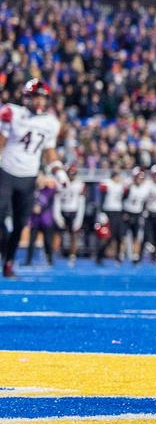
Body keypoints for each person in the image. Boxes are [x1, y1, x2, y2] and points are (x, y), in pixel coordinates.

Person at [0, 79, 70, 278]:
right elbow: (1, 141)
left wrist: (59, 173)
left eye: (43, 98)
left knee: (21, 223)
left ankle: (9, 262)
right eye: (36, 97)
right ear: (27, 97)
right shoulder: (11, 112)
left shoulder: (50, 123)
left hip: (29, 177)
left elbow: (49, 152)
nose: (40, 102)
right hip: (6, 171)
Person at [54, 163, 86, 266]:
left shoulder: (80, 184)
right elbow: (57, 200)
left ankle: (72, 256)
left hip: (73, 211)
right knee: (57, 233)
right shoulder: (61, 183)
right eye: (70, 173)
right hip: (62, 210)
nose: (71, 175)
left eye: (73, 173)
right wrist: (57, 215)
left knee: (74, 235)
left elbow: (81, 202)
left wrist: (79, 219)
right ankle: (54, 254)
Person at [97, 169, 128, 265]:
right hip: (108, 212)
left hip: (118, 212)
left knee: (119, 236)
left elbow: (124, 198)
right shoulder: (107, 184)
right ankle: (99, 255)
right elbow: (102, 198)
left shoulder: (120, 185)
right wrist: (101, 212)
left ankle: (118, 257)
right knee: (108, 236)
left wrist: (124, 212)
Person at [122, 167, 149, 264]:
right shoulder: (129, 186)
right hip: (128, 212)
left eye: (141, 178)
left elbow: (145, 202)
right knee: (123, 235)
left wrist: (144, 212)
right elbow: (122, 199)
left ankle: (135, 255)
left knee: (137, 236)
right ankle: (121, 255)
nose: (139, 179)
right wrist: (124, 212)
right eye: (138, 177)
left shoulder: (145, 188)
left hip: (138, 213)